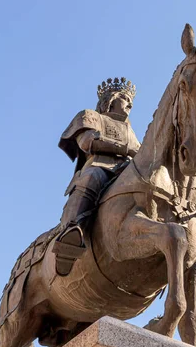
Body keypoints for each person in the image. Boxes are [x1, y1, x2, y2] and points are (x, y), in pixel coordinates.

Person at [53, 77, 140, 275]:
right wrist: (126, 149)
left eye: (130, 100)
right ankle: (71, 231)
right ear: (110, 99)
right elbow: (86, 142)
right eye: (125, 98)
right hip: (100, 166)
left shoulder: (131, 130)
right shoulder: (91, 116)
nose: (130, 104)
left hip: (127, 171)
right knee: (91, 176)